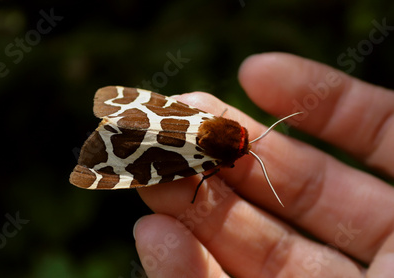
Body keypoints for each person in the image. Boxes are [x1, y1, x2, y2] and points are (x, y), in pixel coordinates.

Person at [134, 52, 394, 277]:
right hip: (180, 158)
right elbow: (225, 167)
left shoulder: (214, 122)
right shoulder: (217, 162)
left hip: (186, 122)